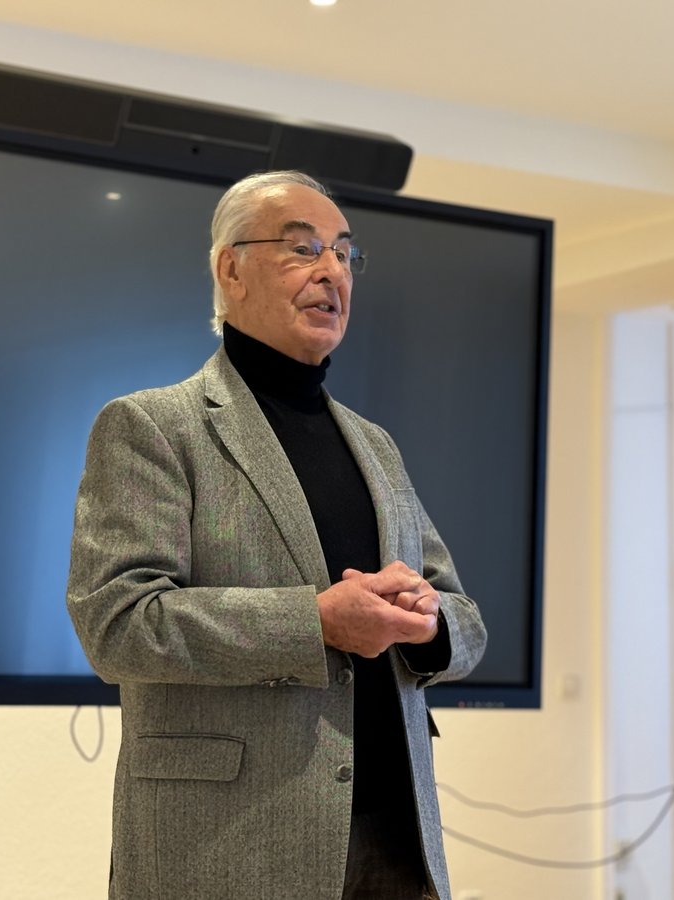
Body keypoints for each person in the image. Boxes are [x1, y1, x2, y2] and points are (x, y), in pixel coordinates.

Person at [66, 170, 487, 900]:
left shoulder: (375, 445)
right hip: (228, 851)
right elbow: (119, 623)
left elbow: (463, 617)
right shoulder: (152, 427)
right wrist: (315, 622)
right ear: (231, 269)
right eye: (303, 249)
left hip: (397, 846)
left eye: (344, 254)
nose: (333, 272)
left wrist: (425, 624)